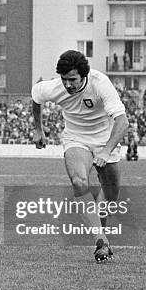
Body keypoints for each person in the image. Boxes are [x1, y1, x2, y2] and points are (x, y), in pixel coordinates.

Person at [31, 50, 128, 263]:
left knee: (110, 197)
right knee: (79, 181)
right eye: (64, 79)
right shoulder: (54, 88)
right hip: (76, 138)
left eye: (72, 80)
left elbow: (122, 122)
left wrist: (105, 151)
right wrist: (38, 129)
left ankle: (102, 233)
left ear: (84, 75)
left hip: (105, 139)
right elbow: (36, 96)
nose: (68, 85)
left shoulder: (100, 83)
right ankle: (100, 241)